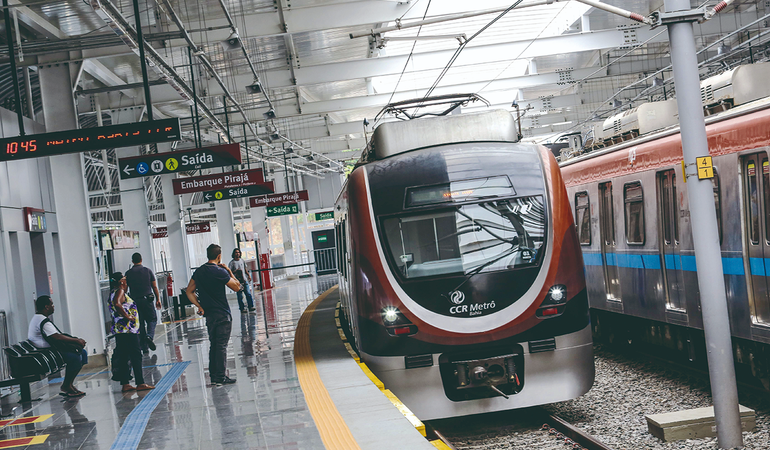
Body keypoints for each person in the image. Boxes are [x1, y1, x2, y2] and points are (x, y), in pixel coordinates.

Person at [186, 244, 241, 386]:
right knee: (221, 346)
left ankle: (214, 376)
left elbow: (189, 291)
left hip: (209, 315)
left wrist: (199, 306)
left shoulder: (199, 272)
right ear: (219, 256)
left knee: (214, 345)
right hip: (222, 314)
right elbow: (237, 287)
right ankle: (220, 377)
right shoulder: (220, 272)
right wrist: (229, 270)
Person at [28, 295, 88, 397]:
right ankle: (66, 385)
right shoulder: (42, 321)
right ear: (46, 307)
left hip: (49, 351)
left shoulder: (39, 318)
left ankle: (68, 384)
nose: (53, 306)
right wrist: (76, 340)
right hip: (47, 353)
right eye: (52, 304)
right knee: (75, 357)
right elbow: (57, 337)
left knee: (83, 353)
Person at [109, 272, 155, 392]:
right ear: (121, 281)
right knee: (136, 355)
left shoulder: (112, 292)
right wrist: (127, 316)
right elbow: (118, 304)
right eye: (124, 279)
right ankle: (140, 382)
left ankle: (125, 383)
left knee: (124, 356)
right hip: (128, 330)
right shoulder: (120, 291)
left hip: (119, 330)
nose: (126, 281)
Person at [125, 253, 161, 354]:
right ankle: (149, 336)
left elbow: (125, 289)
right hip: (147, 300)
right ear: (141, 259)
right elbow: (154, 287)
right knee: (152, 319)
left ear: (132, 261)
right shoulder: (148, 271)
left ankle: (144, 348)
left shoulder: (128, 273)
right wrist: (158, 299)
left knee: (139, 323)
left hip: (134, 302)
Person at [229, 248, 255, 313]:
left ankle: (250, 306)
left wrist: (248, 275)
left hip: (244, 280)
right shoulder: (232, 263)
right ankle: (242, 308)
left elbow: (245, 269)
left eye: (238, 252)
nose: (237, 254)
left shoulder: (242, 261)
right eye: (236, 252)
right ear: (234, 254)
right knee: (240, 296)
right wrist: (235, 271)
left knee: (248, 294)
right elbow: (229, 272)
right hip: (237, 282)